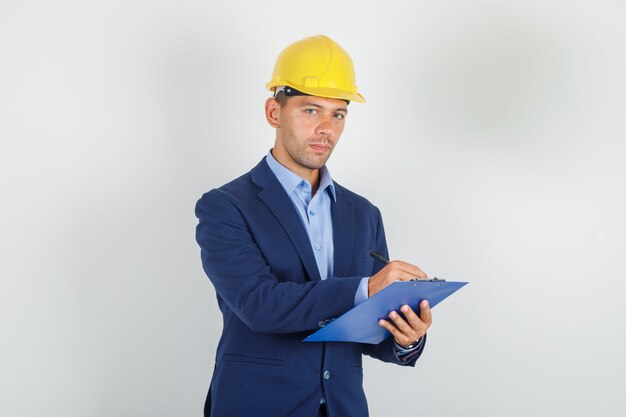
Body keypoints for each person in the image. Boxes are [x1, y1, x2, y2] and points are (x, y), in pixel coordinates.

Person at [195, 34, 433, 417]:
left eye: (338, 114)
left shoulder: (363, 213)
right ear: (274, 113)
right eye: (310, 111)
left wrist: (405, 335)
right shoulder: (225, 207)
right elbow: (259, 306)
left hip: (343, 407)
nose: (327, 128)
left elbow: (365, 325)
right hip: (256, 405)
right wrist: (367, 287)